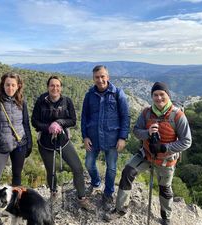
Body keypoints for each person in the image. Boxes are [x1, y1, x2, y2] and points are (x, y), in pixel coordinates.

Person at [111, 82, 192, 225]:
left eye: (162, 94)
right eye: (155, 95)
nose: (159, 98)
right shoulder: (146, 113)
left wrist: (164, 148)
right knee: (128, 172)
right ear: (152, 96)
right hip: (146, 154)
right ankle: (120, 209)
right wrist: (147, 133)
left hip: (166, 159)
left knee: (164, 188)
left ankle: (166, 217)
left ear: (168, 96)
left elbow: (186, 141)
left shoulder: (178, 116)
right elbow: (136, 131)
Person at [31, 75, 94, 211]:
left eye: (57, 85)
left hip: (63, 141)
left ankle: (82, 198)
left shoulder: (67, 101)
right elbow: (34, 121)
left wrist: (59, 123)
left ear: (61, 88)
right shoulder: (41, 101)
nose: (55, 88)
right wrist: (48, 127)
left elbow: (72, 120)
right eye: (52, 85)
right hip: (45, 142)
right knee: (50, 171)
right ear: (48, 87)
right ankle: (53, 192)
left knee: (77, 168)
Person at [0, 72, 32, 220]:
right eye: (7, 84)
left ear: (18, 86)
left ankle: (14, 208)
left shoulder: (21, 102)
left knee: (17, 178)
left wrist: (29, 142)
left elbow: (25, 124)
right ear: (2, 85)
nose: (10, 88)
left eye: (13, 85)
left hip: (19, 145)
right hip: (0, 146)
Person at [81, 65, 130, 210]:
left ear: (108, 77)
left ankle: (108, 193)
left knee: (112, 168)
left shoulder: (117, 93)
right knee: (89, 163)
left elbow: (125, 117)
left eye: (103, 76)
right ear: (93, 78)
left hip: (112, 139)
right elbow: (84, 117)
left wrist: (122, 137)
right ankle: (95, 182)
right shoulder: (89, 95)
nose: (100, 80)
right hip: (93, 138)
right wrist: (85, 136)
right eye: (97, 77)